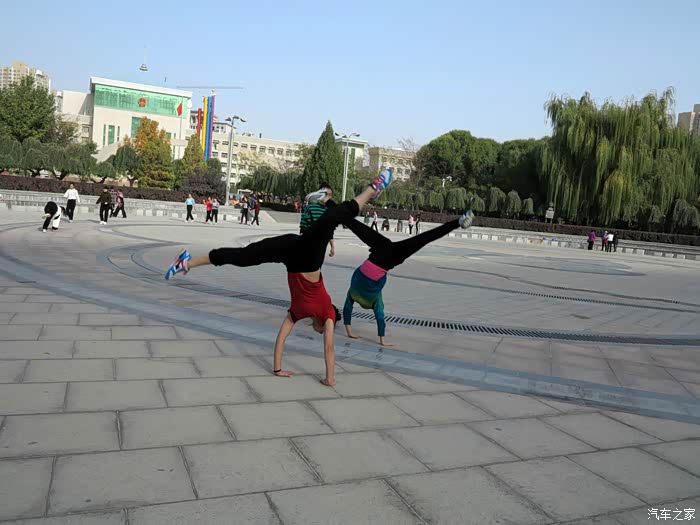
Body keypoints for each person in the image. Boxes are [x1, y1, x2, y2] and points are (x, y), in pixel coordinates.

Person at [165, 169, 394, 386]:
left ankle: (187, 263)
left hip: (292, 251)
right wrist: (329, 379)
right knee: (334, 217)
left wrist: (278, 369)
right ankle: (371, 188)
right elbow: (329, 349)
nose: (320, 332)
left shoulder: (298, 313)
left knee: (245, 256)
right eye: (323, 330)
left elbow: (281, 338)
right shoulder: (327, 315)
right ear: (329, 323)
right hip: (308, 257)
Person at [343, 210, 474, 346]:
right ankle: (333, 207)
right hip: (380, 248)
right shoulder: (353, 293)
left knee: (424, 238)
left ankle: (458, 222)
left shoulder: (376, 300)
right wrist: (350, 331)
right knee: (356, 226)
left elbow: (379, 317)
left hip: (389, 258)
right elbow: (348, 309)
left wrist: (382, 340)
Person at [300, 183, 335, 257]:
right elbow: (303, 228)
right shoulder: (310, 208)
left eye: (330, 195)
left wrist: (332, 247)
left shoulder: (329, 210)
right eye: (326, 194)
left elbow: (330, 231)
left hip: (321, 247)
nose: (329, 197)